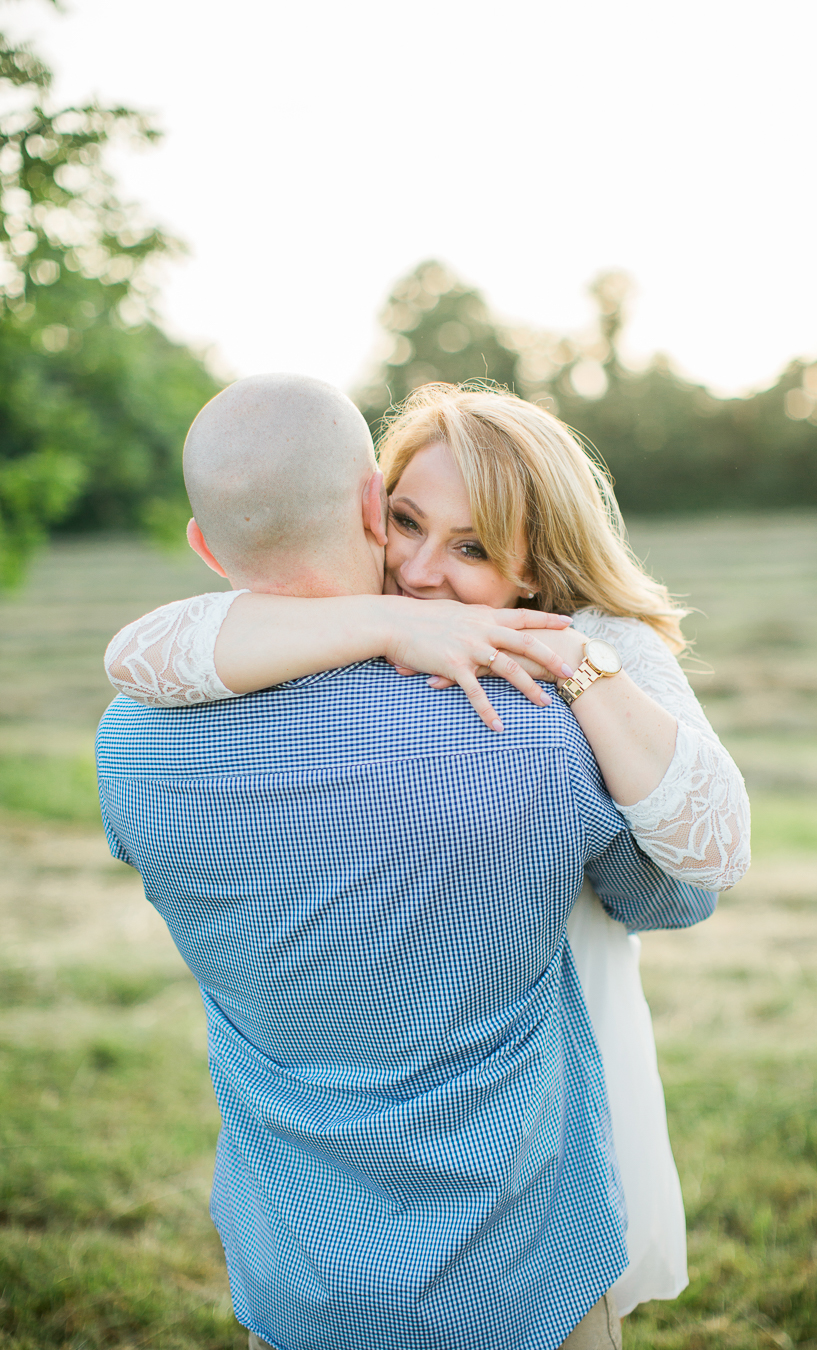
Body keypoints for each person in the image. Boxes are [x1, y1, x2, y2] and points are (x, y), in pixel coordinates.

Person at [104, 380, 750, 1327]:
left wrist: (575, 662)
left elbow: (702, 864)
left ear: (538, 569)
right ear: (372, 506)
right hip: (498, 1196)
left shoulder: (578, 661)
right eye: (406, 521)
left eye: (474, 546)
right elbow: (140, 650)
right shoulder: (452, 681)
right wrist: (394, 624)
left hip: (356, 1218)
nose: (417, 570)